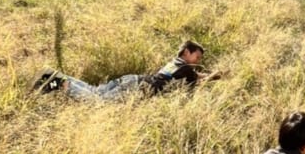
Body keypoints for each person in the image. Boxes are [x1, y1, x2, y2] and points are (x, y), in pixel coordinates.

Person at [32, 41, 221, 101]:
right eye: (197, 57)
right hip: (136, 88)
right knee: (97, 102)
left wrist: (211, 75)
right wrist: (215, 76)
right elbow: (198, 79)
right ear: (187, 52)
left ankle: (54, 76)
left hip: (133, 80)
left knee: (96, 92)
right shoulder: (186, 68)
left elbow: (196, 76)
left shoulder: (175, 63)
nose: (197, 62)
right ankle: (58, 82)